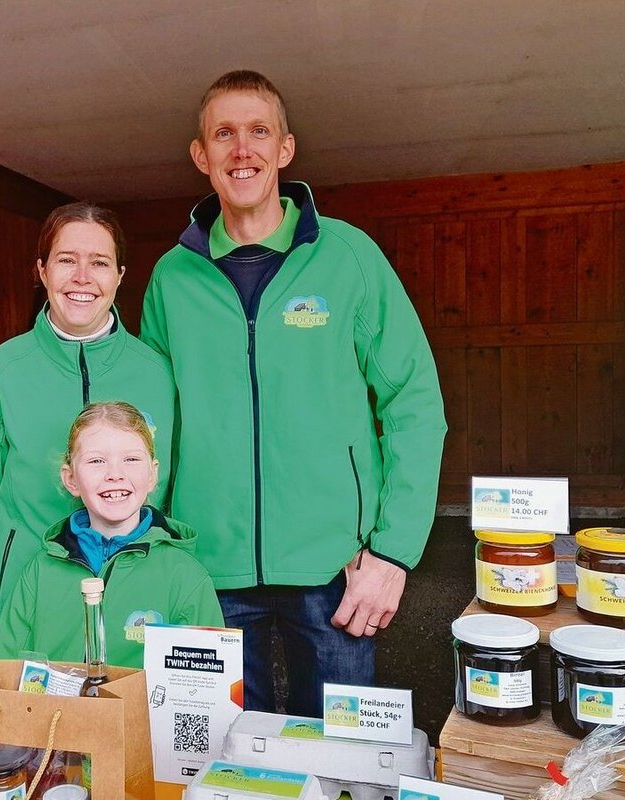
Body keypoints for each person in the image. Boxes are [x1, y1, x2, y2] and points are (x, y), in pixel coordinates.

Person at [139, 70, 446, 715]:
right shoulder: (171, 278)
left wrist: (393, 551)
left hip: (335, 567)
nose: (241, 149)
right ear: (201, 156)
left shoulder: (348, 257)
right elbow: (151, 427)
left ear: (286, 149)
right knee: (216, 761)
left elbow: (413, 400)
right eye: (224, 134)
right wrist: (151, 549)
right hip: (206, 568)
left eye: (259, 132)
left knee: (342, 764)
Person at [0, 204, 177, 679]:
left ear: (120, 276)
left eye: (100, 262)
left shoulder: (156, 372)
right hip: (16, 611)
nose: (82, 276)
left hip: (130, 613)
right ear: (42, 270)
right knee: (24, 751)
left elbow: (168, 495)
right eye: (67, 259)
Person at [0, 402, 223, 668]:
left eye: (131, 459)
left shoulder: (186, 578)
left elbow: (205, 689)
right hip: (55, 711)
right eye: (96, 461)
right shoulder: (39, 574)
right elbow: (5, 673)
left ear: (152, 474)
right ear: (71, 479)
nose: (115, 474)